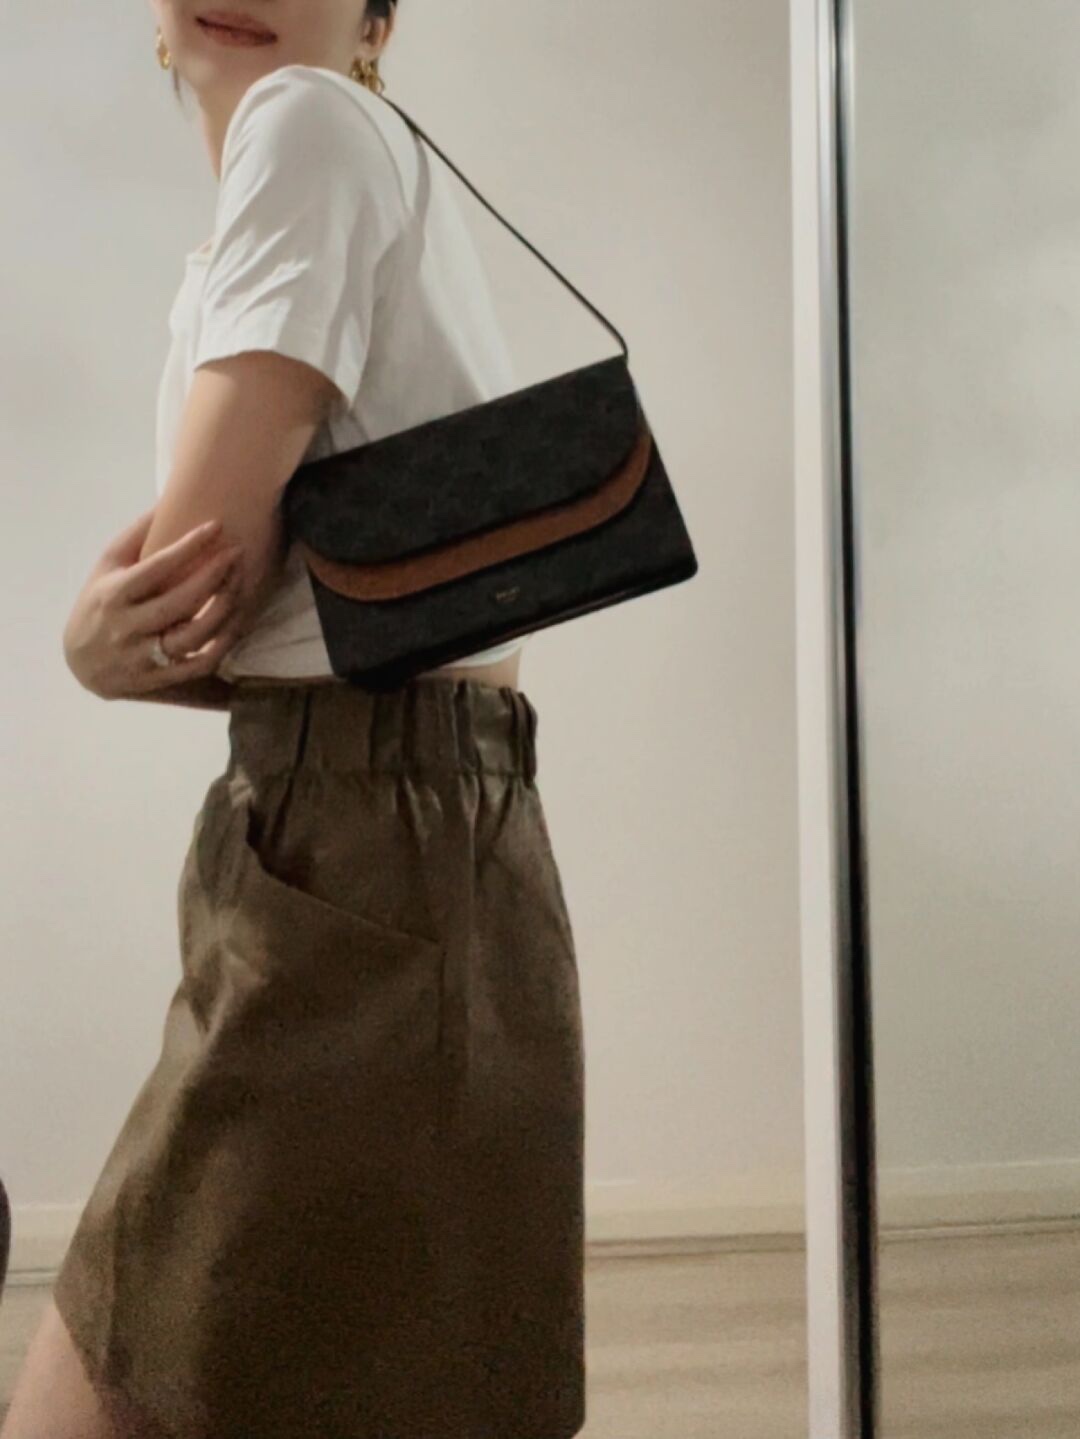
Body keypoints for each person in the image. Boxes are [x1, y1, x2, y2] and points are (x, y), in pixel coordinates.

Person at [2, 5, 586, 1437]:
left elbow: (192, 571)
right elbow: (261, 620)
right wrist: (122, 649)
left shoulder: (307, 121)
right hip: (385, 825)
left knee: (117, 1380)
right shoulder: (345, 168)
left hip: (360, 845)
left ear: (375, 21)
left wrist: (95, 648)